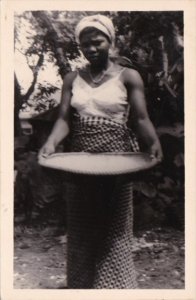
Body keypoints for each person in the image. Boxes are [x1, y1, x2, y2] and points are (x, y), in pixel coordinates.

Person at [39, 14, 163, 289]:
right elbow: (64, 120)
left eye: (97, 42)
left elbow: (140, 118)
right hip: (80, 160)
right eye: (85, 45)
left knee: (114, 228)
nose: (91, 49)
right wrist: (51, 143)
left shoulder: (128, 76)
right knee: (82, 227)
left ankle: (113, 288)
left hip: (116, 159)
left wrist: (154, 143)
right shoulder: (72, 79)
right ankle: (82, 287)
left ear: (110, 41)